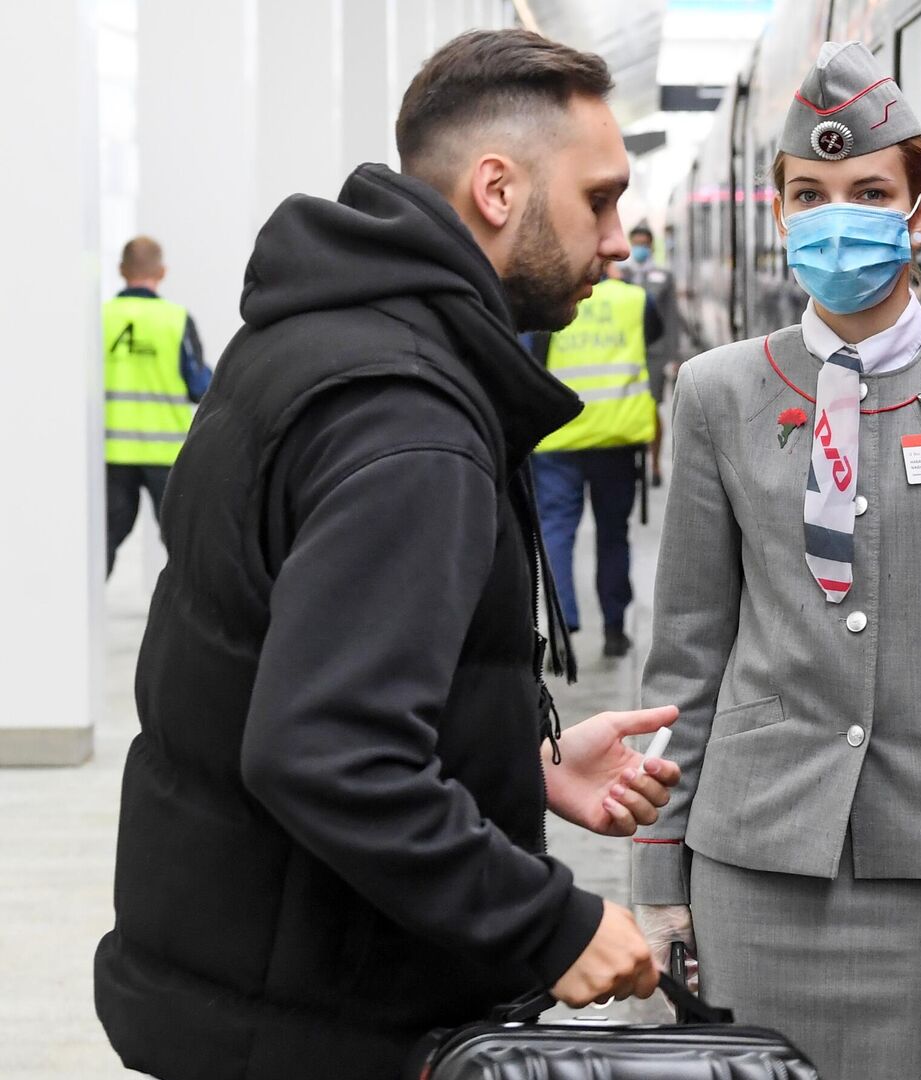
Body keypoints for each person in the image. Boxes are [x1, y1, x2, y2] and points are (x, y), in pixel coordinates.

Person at [94, 31, 684, 1080]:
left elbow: (295, 660)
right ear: (497, 189)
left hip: (241, 981)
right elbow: (325, 749)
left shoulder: (319, 337)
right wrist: (551, 923)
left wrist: (520, 756)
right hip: (318, 1020)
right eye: (598, 200)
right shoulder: (409, 422)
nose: (619, 241)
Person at [631, 42, 921, 1080]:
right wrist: (659, 877)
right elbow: (686, 658)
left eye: (869, 192)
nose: (840, 216)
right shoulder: (716, 393)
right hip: (752, 858)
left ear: (919, 218)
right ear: (782, 217)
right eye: (812, 194)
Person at [528, 267, 665, 657]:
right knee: (612, 533)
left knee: (556, 529)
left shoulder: (547, 295)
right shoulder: (635, 299)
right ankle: (614, 629)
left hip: (557, 434)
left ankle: (560, 623)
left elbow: (531, 357)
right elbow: (652, 338)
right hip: (615, 435)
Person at [102, 235, 210, 576]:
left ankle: (79, 620)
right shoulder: (175, 320)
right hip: (165, 454)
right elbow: (199, 386)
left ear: (121, 270)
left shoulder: (100, 318)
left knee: (104, 538)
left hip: (112, 453)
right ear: (161, 272)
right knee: (183, 542)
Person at [620, 223, 681, 487]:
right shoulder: (619, 274)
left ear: (651, 246)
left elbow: (671, 319)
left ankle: (654, 463)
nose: (640, 248)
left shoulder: (663, 277)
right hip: (624, 352)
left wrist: (674, 356)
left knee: (653, 407)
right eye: (636, 243)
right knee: (625, 408)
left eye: (645, 244)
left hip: (654, 354)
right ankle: (630, 461)